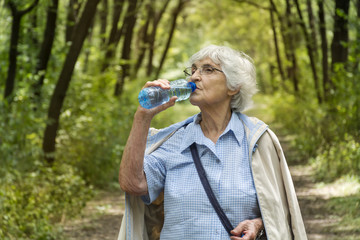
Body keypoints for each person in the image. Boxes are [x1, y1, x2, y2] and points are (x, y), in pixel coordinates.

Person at [118, 45, 307, 240]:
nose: (194, 77)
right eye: (193, 70)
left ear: (233, 87)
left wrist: (257, 225)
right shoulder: (173, 141)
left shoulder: (258, 142)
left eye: (208, 70)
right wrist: (142, 117)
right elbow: (133, 184)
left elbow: (278, 212)